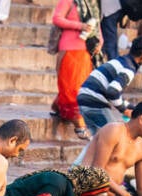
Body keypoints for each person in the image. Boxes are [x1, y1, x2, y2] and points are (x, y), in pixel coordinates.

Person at [77, 36, 142, 134]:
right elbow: (112, 92)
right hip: (95, 101)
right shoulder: (128, 69)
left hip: (84, 98)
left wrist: (134, 108)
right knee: (114, 135)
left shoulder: (121, 61)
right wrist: (124, 111)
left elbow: (116, 94)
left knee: (96, 142)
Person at [51, 0, 102, 139]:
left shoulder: (93, 3)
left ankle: (58, 106)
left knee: (81, 87)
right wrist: (80, 26)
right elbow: (57, 18)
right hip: (69, 49)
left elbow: (97, 24)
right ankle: (79, 125)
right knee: (72, 88)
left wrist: (100, 42)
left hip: (86, 50)